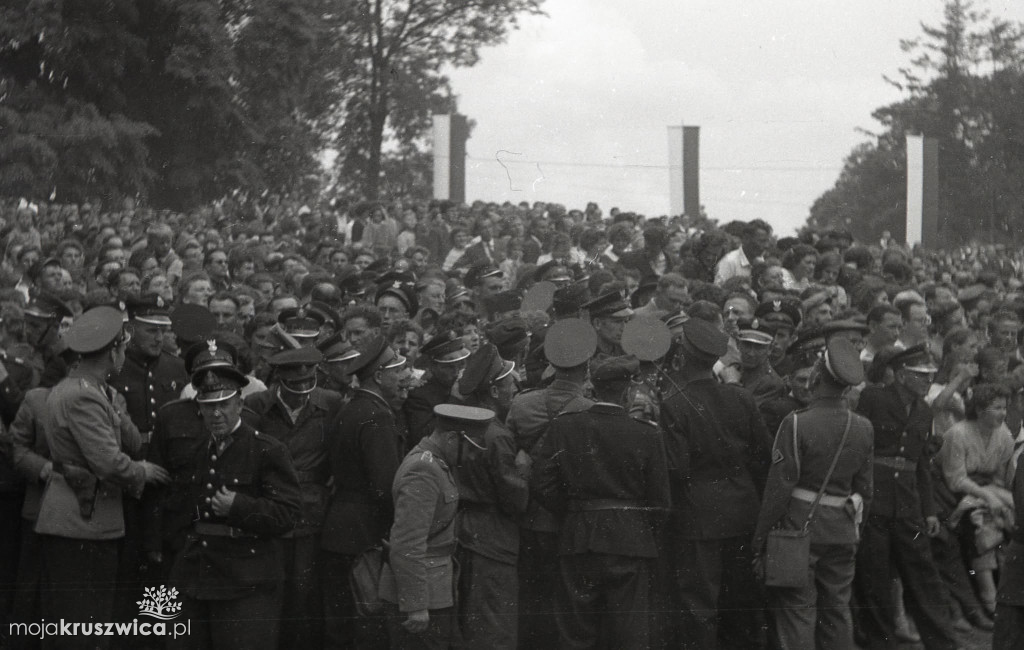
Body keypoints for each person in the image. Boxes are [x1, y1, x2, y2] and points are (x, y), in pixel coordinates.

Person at [35, 306, 170, 649]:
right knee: (84, 624)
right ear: (113, 351)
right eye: (122, 346)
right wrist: (142, 471)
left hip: (85, 520)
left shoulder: (95, 391)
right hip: (83, 521)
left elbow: (134, 440)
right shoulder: (82, 395)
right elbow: (109, 462)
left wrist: (116, 406)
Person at [531, 355, 671, 649]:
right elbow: (661, 501)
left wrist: (574, 512)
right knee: (630, 633)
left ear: (592, 388)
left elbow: (542, 483)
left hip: (577, 536)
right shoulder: (647, 434)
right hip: (630, 540)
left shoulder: (565, 427)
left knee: (575, 632)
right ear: (629, 391)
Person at [169, 340, 302, 649]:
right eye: (208, 406)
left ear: (240, 404)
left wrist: (239, 506)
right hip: (196, 575)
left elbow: (288, 515)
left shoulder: (267, 449)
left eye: (223, 404)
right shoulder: (197, 450)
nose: (216, 413)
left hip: (247, 580)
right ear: (198, 407)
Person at [751, 338, 874, 649]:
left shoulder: (796, 423)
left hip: (799, 529)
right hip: (843, 529)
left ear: (818, 377)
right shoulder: (863, 426)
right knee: (837, 609)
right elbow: (866, 490)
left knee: (797, 612)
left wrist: (760, 538)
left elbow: (779, 487)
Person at [659, 318, 773, 649]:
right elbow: (763, 455)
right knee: (740, 601)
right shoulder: (741, 398)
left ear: (681, 354)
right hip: (742, 511)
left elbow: (676, 469)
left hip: (697, 518)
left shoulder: (674, 403)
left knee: (699, 605)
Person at [854, 344, 960, 650]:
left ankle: (942, 642)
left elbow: (920, 466)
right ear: (901, 376)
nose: (927, 380)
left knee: (923, 578)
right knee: (875, 580)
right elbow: (859, 448)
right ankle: (880, 643)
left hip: (908, 506)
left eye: (929, 375)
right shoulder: (873, 398)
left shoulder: (924, 410)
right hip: (874, 503)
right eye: (919, 374)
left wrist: (928, 511)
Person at [243, 345, 344, 649]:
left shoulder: (331, 403)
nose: (302, 391)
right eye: (294, 385)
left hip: (310, 512)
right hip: (270, 509)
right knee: (268, 591)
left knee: (304, 593)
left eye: (308, 383)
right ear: (279, 380)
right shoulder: (257, 405)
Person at [506, 318, 596, 649]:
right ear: (586, 366)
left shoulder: (522, 402)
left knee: (531, 594)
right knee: (569, 600)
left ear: (551, 364)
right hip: (572, 519)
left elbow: (509, 455)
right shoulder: (591, 409)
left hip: (530, 514)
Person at [379, 404, 494, 649]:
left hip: (434, 588)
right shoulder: (424, 470)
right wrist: (416, 605)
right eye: (471, 448)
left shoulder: (435, 464)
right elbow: (407, 543)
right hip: (422, 596)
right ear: (453, 438)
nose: (473, 456)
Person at [320, 335, 409, 649]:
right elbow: (385, 487)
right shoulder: (378, 415)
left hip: (339, 529)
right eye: (397, 370)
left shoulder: (350, 407)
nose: (403, 376)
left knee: (342, 624)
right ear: (380, 376)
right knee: (367, 624)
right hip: (364, 535)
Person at [450, 344, 528, 649]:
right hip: (494, 538)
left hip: (465, 531)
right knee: (495, 625)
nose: (515, 387)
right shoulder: (498, 436)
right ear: (494, 392)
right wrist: (525, 470)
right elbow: (515, 499)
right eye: (509, 383)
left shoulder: (463, 425)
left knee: (471, 620)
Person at [402, 330, 469, 450]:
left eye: (461, 364)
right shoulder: (419, 395)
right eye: (449, 366)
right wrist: (453, 401)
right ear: (433, 366)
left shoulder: (467, 387)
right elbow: (423, 437)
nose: (457, 372)